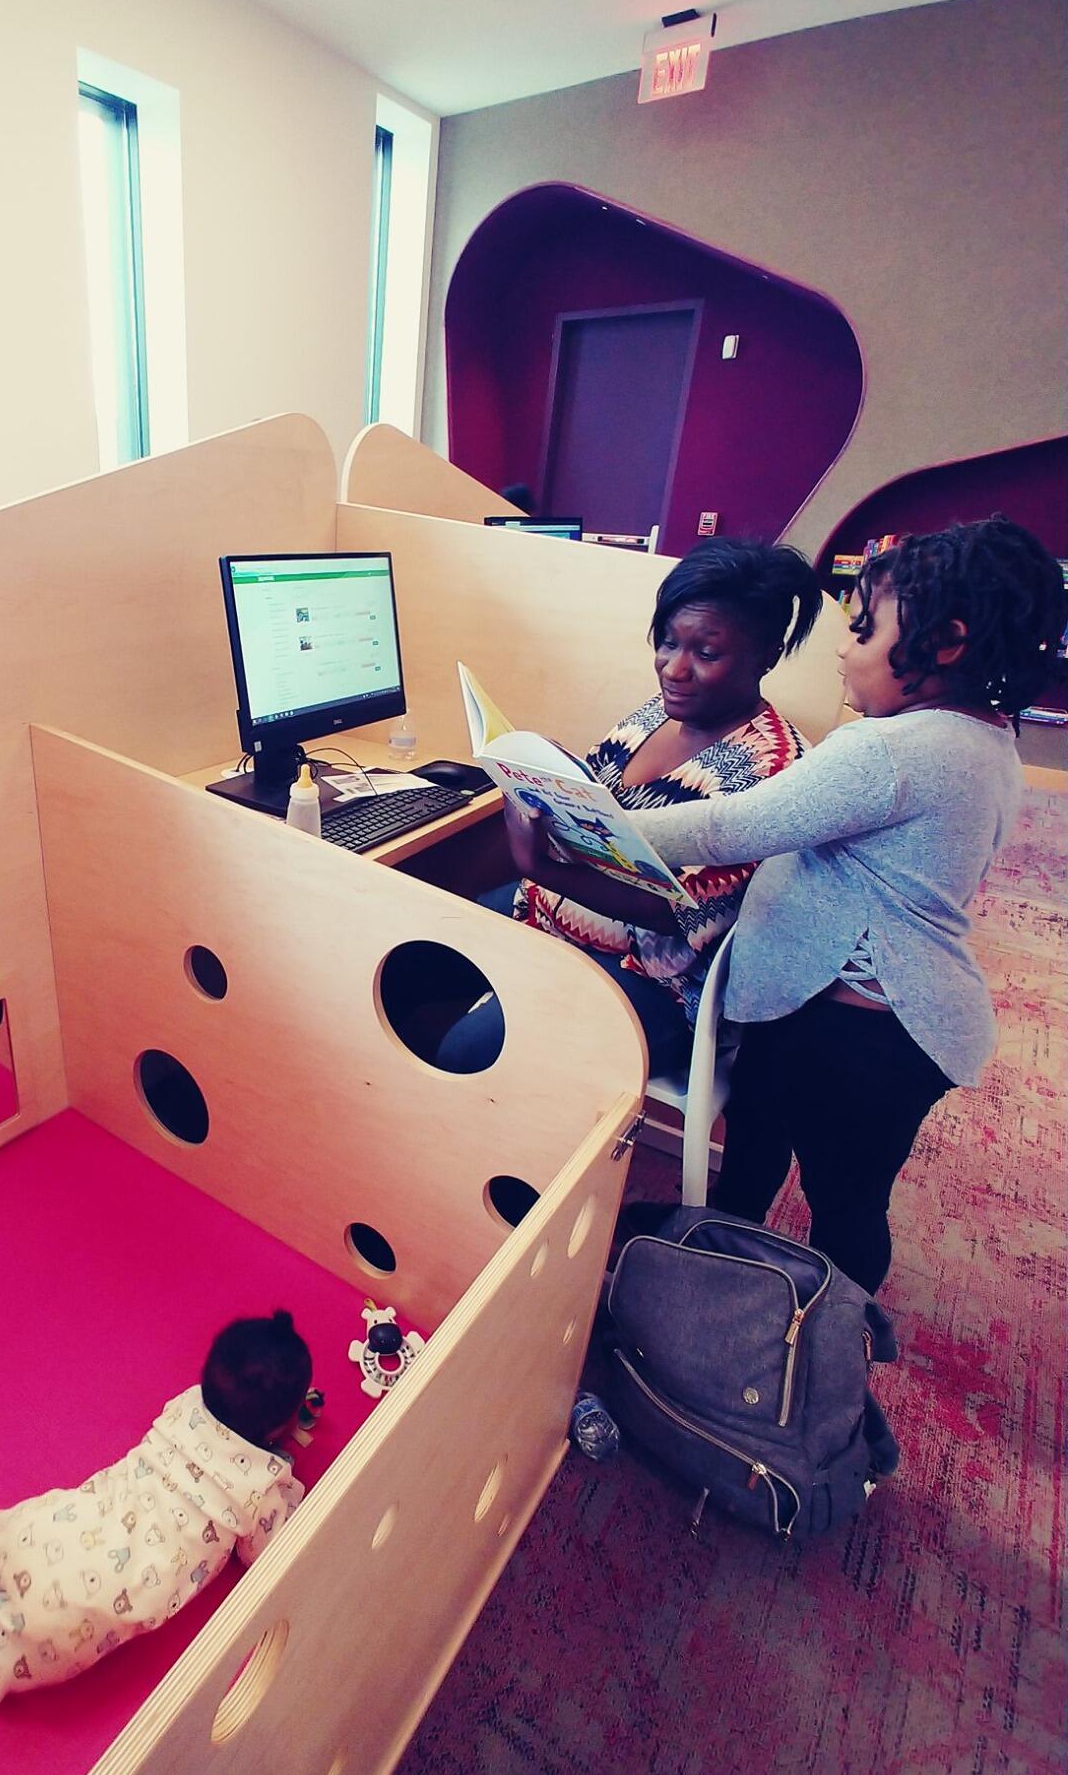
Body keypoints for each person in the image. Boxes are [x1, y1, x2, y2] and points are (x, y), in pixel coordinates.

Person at [636, 515, 1068, 1295]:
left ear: (946, 645)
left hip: (860, 1032)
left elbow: (732, 825)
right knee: (761, 1147)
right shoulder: (985, 735)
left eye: (863, 630)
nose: (841, 647)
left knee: (846, 1208)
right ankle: (718, 1272)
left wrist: (595, 827)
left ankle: (833, 1344)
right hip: (812, 1011)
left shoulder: (893, 750)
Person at [437, 538, 823, 1076]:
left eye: (706, 654)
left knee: (465, 1053)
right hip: (556, 914)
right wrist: (536, 777)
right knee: (417, 960)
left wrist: (538, 865)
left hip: (656, 981)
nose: (674, 669)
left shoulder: (772, 769)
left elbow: (683, 915)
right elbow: (601, 807)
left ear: (767, 657)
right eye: (667, 643)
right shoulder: (655, 715)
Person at [0, 1309, 311, 1710]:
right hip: (82, 1604)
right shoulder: (260, 1486)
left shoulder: (187, 1407)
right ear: (279, 1425)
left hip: (52, 1526)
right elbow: (266, 1548)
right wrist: (287, 1481)